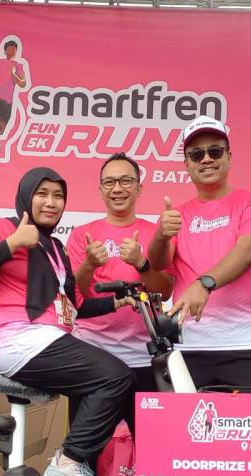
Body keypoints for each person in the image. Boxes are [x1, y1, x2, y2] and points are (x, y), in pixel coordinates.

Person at [0, 167, 135, 476]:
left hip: (46, 336)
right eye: (42, 194)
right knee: (116, 377)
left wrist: (118, 301)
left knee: (111, 383)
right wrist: (13, 243)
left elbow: (75, 306)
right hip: (13, 337)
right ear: (26, 196)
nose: (51, 203)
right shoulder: (3, 228)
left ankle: (80, 470)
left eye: (58, 196)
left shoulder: (55, 247)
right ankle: (67, 465)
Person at [148, 115, 251, 390]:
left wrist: (204, 283)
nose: (206, 159)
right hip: (190, 345)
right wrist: (161, 234)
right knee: (189, 421)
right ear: (186, 164)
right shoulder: (177, 215)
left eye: (215, 151)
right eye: (196, 154)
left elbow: (248, 250)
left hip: (248, 343)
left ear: (229, 156)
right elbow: (158, 263)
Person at [66, 152, 173, 395]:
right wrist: (89, 265)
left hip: (145, 355)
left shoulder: (156, 234)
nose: (117, 189)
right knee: (92, 423)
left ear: (139, 188)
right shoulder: (82, 234)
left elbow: (165, 292)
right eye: (109, 182)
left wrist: (141, 263)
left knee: (146, 422)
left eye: (126, 181)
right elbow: (74, 297)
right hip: (92, 353)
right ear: (100, 190)